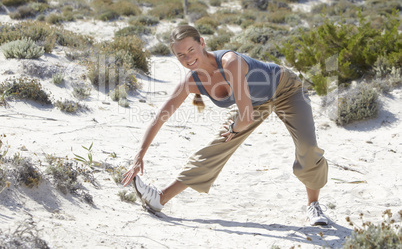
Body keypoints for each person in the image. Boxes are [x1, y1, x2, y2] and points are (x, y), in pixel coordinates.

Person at [122, 25, 329, 225]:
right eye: (180, 55)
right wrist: (139, 157)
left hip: (286, 89)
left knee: (307, 148)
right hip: (253, 102)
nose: (187, 58)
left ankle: (314, 204)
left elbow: (245, 118)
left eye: (191, 50)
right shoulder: (191, 82)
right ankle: (160, 198)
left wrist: (233, 129)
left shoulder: (230, 62)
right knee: (217, 146)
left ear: (202, 43)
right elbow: (161, 116)